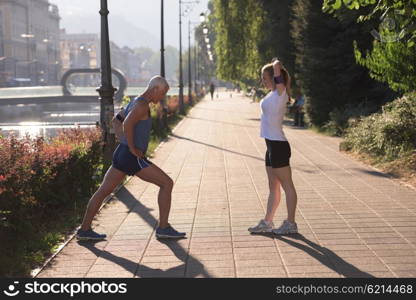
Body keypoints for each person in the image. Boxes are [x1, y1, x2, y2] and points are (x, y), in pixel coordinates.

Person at [77, 75, 186, 240]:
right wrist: (133, 148)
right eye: (162, 93)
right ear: (155, 89)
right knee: (166, 183)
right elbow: (126, 124)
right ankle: (163, 228)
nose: (162, 97)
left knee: (103, 191)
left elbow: (116, 121)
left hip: (122, 154)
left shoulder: (135, 102)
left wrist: (124, 142)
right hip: (130, 156)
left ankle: (84, 230)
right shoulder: (142, 106)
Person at [248, 59, 299, 235]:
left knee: (287, 185)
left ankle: (291, 223)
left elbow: (277, 68)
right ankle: (268, 222)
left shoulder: (280, 92)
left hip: (278, 145)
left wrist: (275, 63)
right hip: (270, 146)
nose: (263, 80)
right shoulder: (272, 94)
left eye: (265, 77)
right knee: (273, 187)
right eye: (262, 77)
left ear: (275, 78)